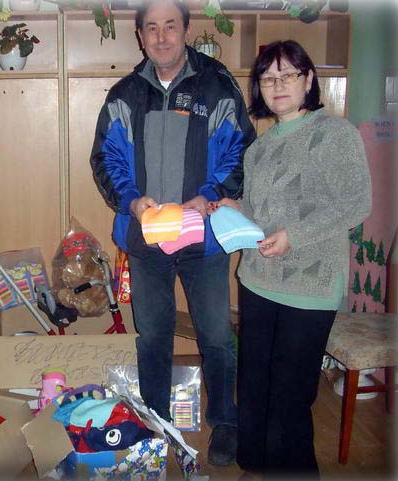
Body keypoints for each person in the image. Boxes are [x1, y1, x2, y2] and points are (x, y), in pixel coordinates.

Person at [90, 0, 255, 466]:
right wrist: (131, 200)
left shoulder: (218, 86)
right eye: (152, 28)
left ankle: (225, 421)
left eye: (171, 26)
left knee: (217, 335)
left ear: (186, 30)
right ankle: (156, 422)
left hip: (203, 239)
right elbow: (105, 158)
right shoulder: (123, 95)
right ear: (140, 35)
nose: (161, 37)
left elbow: (240, 151)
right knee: (153, 336)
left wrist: (209, 196)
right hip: (146, 242)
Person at [212, 40, 371, 478]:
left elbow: (356, 203)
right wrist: (235, 209)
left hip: (311, 285)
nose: (278, 85)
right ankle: (256, 464)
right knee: (256, 383)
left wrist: (294, 236)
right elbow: (264, 215)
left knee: (290, 392)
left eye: (288, 75)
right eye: (268, 78)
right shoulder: (259, 149)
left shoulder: (335, 134)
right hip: (259, 278)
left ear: (309, 80)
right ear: (259, 87)